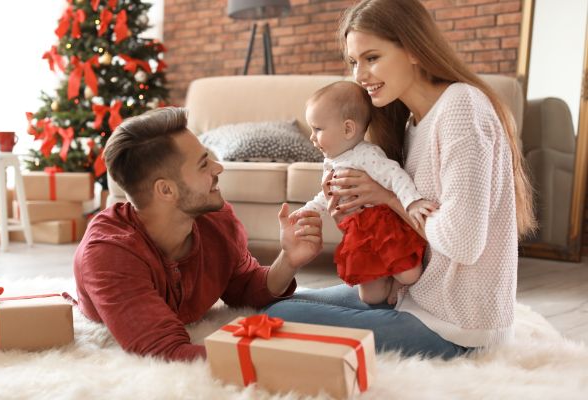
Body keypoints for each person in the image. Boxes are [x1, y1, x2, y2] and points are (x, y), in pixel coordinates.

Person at [264, 0, 535, 359]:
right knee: (285, 302)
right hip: (413, 298)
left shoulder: (461, 107)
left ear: (413, 49)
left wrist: (389, 198)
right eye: (353, 62)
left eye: (372, 58)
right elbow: (401, 235)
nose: (359, 75)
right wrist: (351, 211)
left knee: (280, 316)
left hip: (458, 327)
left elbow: (463, 243)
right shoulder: (410, 123)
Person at [73, 107, 323, 361]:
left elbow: (245, 288)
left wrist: (289, 259)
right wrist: (286, 363)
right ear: (166, 190)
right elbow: (166, 353)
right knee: (304, 319)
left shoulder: (216, 219)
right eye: (204, 164)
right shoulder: (109, 254)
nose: (218, 168)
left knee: (356, 299)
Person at [299, 81, 437, 305]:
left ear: (348, 129)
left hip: (382, 226)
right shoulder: (331, 163)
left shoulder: (366, 155)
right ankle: (385, 284)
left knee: (409, 273)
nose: (312, 137)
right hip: (359, 234)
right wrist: (308, 211)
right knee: (369, 297)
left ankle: (398, 286)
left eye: (318, 129)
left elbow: (395, 175)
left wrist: (413, 203)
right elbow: (326, 196)